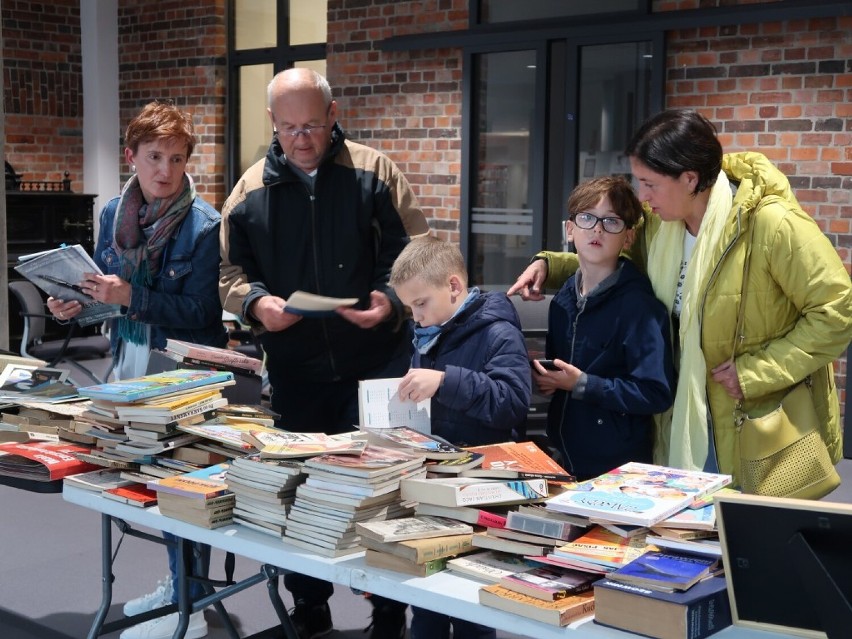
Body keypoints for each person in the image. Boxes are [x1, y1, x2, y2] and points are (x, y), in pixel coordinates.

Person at [509, 109, 852, 487]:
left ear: (689, 179)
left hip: (753, 418)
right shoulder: (661, 225)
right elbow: (611, 253)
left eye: (649, 183)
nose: (641, 197)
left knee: (748, 538)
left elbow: (837, 313)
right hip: (679, 419)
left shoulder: (771, 224)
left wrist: (756, 371)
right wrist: (550, 264)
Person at [219, 68, 430, 639]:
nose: (302, 139)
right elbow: (230, 273)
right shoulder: (249, 192)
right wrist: (257, 304)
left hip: (376, 365)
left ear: (333, 116)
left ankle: (388, 608)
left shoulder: (375, 172)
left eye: (313, 125)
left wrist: (390, 301)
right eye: (289, 128)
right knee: (298, 489)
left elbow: (416, 258)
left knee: (383, 491)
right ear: (273, 124)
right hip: (296, 371)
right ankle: (309, 605)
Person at [48, 100, 227, 639]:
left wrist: (131, 295)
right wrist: (76, 305)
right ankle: (178, 585)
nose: (165, 171)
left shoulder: (204, 225)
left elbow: (200, 313)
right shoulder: (113, 212)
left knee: (178, 481)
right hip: (130, 356)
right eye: (154, 157)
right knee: (140, 474)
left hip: (183, 368)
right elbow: (102, 285)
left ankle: (189, 604)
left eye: (176, 159)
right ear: (131, 156)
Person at [390, 235, 532, 639]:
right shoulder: (430, 332)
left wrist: (445, 381)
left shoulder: (498, 332)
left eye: (420, 304)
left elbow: (512, 403)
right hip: (435, 484)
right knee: (427, 606)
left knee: (471, 607)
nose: (416, 318)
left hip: (481, 490)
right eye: (410, 308)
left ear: (453, 287)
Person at [534, 176, 674, 481]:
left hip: (619, 468)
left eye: (611, 221)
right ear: (569, 230)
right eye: (587, 218)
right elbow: (563, 372)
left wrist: (583, 384)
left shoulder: (640, 308)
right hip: (564, 454)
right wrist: (551, 381)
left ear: (628, 238)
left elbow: (655, 392)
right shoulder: (562, 300)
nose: (597, 229)